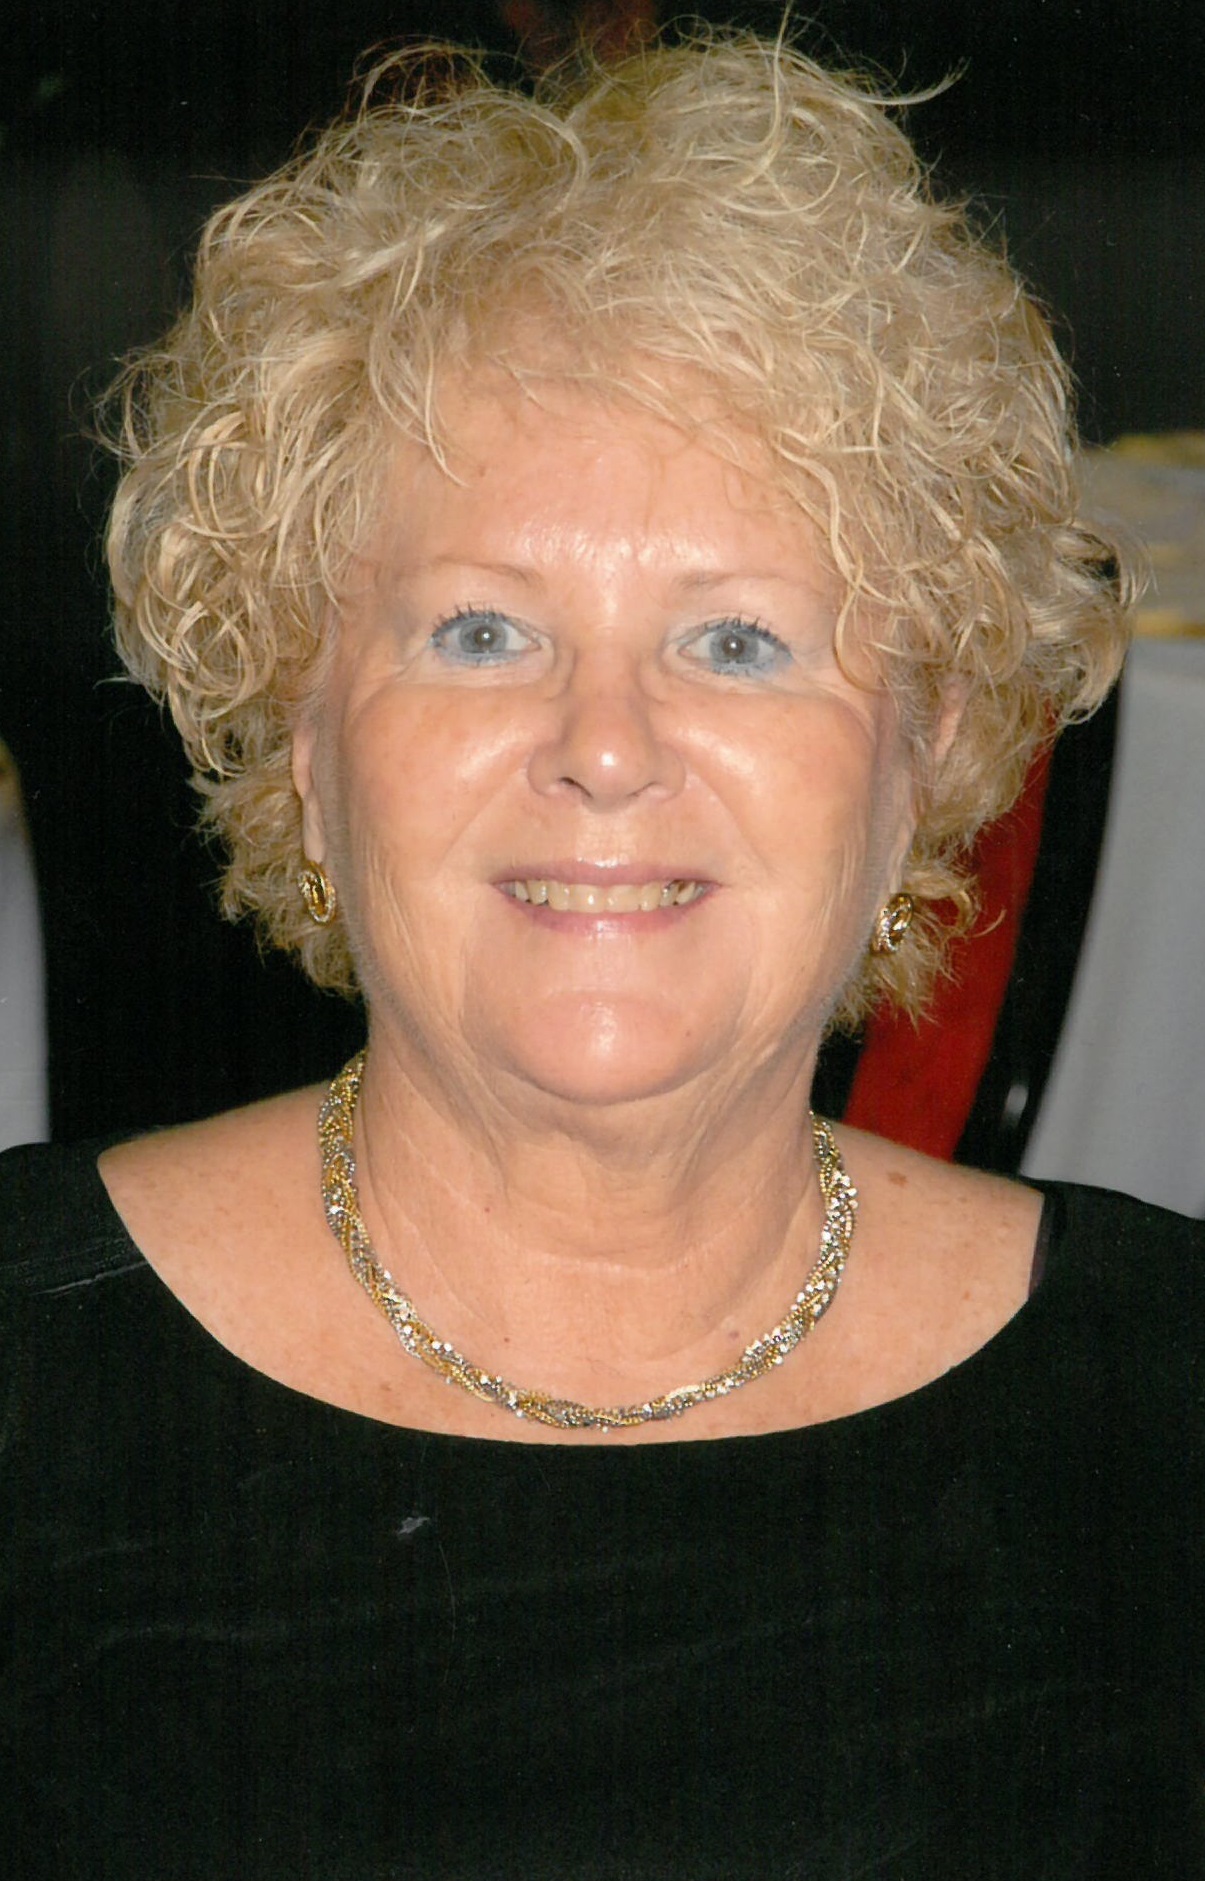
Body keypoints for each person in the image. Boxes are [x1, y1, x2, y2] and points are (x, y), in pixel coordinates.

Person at [3, 31, 1201, 1879]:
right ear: (304, 737)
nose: (607, 746)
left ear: (926, 752)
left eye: (735, 642)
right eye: (482, 631)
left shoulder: (1162, 1416)